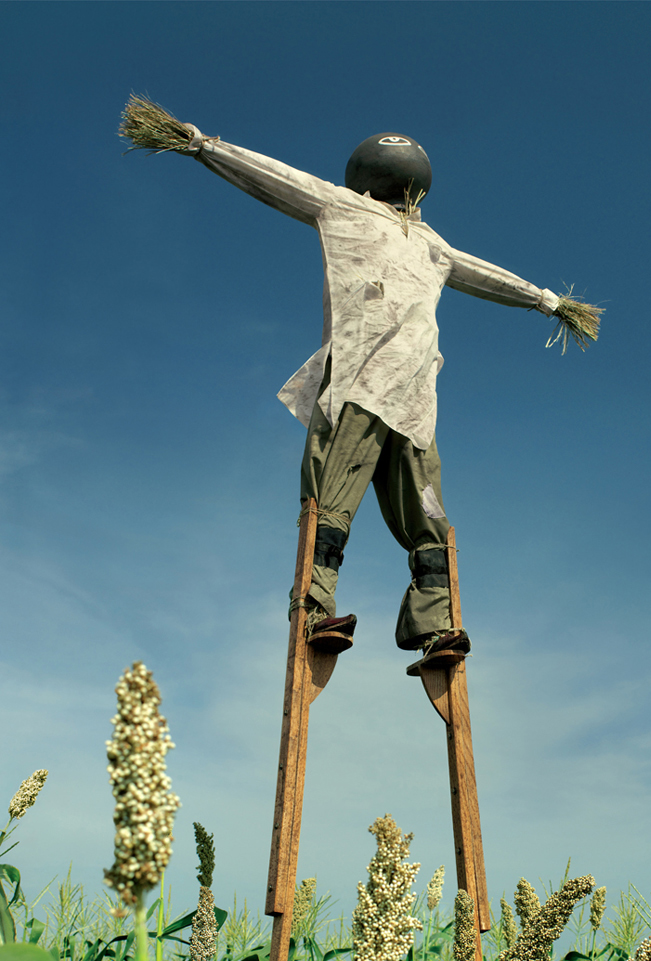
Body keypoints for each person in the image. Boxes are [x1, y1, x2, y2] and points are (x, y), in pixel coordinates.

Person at [121, 104, 599, 673]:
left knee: (429, 520)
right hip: (357, 385)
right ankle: (314, 608)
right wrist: (203, 146)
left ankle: (433, 625)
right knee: (330, 506)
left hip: (414, 404)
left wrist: (547, 301)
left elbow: (484, 274)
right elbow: (277, 179)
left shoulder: (433, 245)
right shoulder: (343, 206)